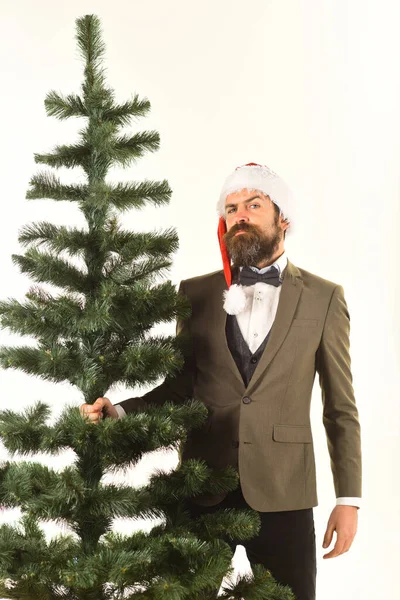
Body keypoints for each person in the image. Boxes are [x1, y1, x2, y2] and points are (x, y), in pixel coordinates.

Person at [80, 163, 362, 600]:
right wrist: (117, 412)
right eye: (231, 208)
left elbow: (340, 407)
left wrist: (349, 500)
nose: (241, 215)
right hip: (202, 485)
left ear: (282, 218)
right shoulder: (196, 293)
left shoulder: (324, 297)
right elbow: (178, 388)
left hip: (284, 491)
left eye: (254, 204)